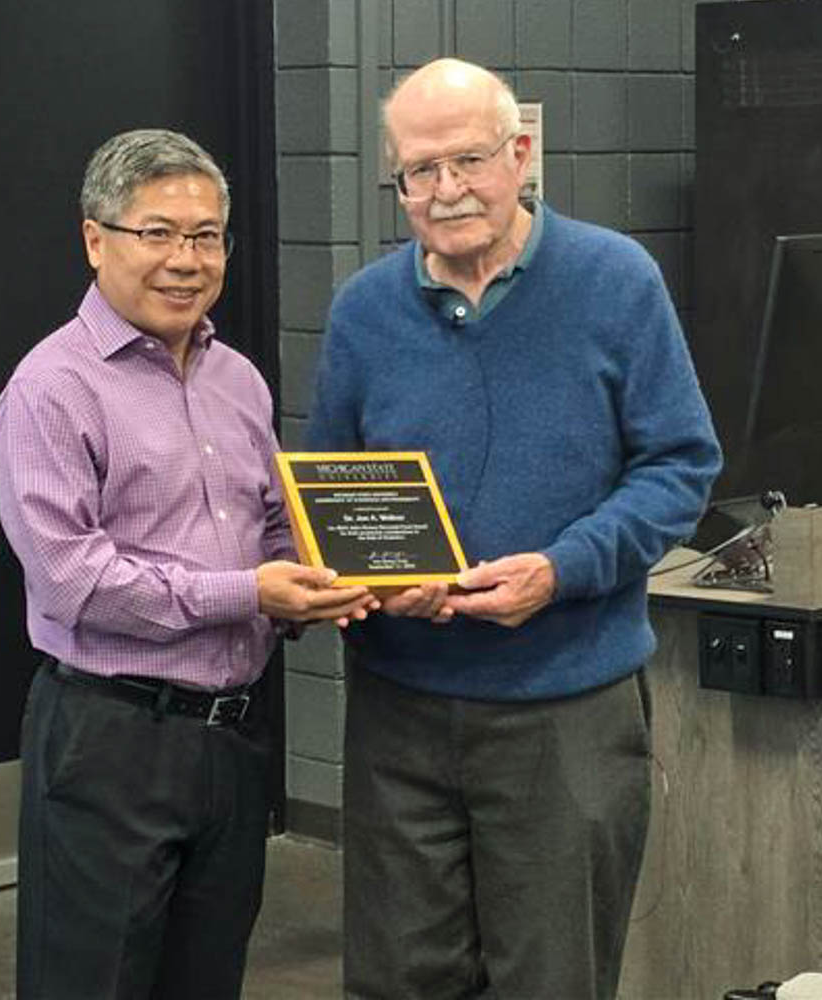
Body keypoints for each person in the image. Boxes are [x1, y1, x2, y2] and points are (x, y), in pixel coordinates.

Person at [307, 59, 723, 1000]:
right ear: (398, 181)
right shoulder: (364, 310)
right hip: (398, 714)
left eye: (470, 160)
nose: (447, 190)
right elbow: (334, 491)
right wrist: (365, 581)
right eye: (420, 170)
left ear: (521, 154)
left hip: (564, 710)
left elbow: (681, 467)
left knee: (552, 979)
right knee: (395, 981)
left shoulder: (616, 281)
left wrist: (563, 568)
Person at [0, 128, 375, 1000]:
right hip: (110, 738)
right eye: (156, 233)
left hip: (230, 742)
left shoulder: (238, 378)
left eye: (206, 236)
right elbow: (71, 578)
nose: (185, 260)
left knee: (206, 981)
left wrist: (314, 586)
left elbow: (273, 524)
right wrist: (251, 591)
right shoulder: (53, 388)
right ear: (96, 240)